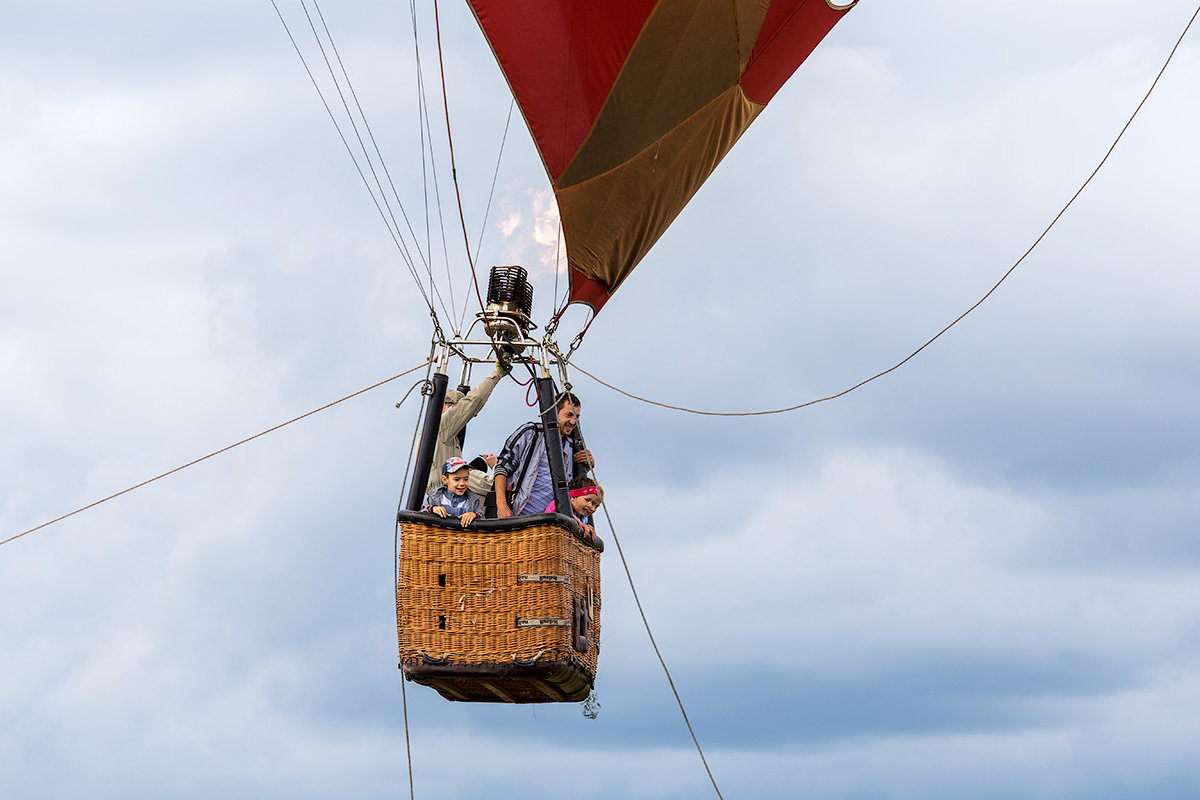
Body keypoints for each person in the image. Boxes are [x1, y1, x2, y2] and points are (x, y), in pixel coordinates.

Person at [494, 392, 594, 518]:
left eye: (577, 417)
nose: (573, 421)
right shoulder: (531, 433)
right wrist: (501, 505)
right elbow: (502, 468)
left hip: (549, 523)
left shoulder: (572, 447)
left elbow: (574, 492)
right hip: (517, 516)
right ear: (554, 413)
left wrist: (586, 468)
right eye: (569, 415)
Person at [424, 362, 507, 498]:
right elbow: (473, 401)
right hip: (445, 493)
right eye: (455, 408)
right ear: (444, 406)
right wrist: (496, 375)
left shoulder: (443, 434)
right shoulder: (441, 426)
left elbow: (473, 406)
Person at [422, 457, 482, 527]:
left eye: (466, 479)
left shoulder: (473, 501)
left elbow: (482, 518)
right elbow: (422, 513)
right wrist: (433, 509)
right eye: (457, 479)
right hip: (437, 536)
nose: (462, 483)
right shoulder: (434, 497)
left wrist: (474, 515)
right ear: (445, 480)